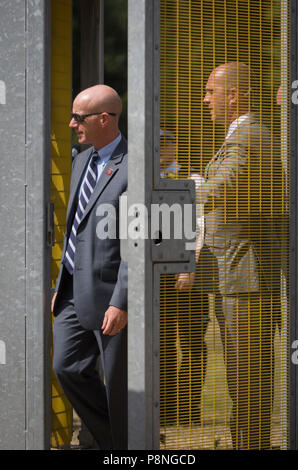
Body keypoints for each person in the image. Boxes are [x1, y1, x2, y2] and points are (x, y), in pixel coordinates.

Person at [198, 62, 283, 449]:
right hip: (239, 276)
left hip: (246, 277)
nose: (204, 100)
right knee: (242, 375)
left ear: (233, 96)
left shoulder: (248, 134)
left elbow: (220, 187)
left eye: (210, 92)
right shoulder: (244, 134)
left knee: (248, 376)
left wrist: (170, 191)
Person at [51, 84, 128, 450]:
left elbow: (137, 242)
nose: (71, 125)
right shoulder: (82, 159)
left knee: (117, 385)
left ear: (103, 119)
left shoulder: (134, 163)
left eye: (78, 118)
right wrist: (60, 286)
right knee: (66, 367)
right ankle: (111, 439)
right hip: (70, 292)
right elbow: (76, 230)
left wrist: (122, 301)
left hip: (111, 297)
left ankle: (114, 443)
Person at [159, 129, 210, 426]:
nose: (161, 147)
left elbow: (201, 223)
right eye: (156, 142)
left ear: (175, 145)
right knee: (161, 343)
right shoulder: (143, 177)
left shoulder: (194, 179)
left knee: (192, 343)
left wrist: (189, 265)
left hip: (187, 270)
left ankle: (188, 411)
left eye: (166, 141)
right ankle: (164, 411)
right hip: (156, 275)